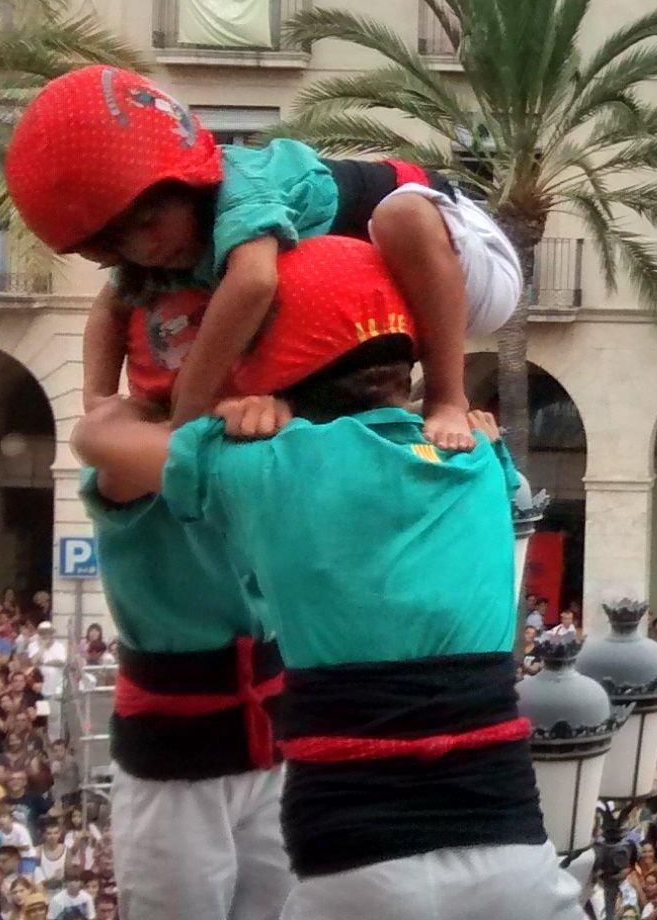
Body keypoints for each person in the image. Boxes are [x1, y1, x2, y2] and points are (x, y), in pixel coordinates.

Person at [73, 235, 581, 918]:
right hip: (515, 863)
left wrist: (214, 419)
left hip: (357, 865)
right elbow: (415, 231)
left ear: (279, 377)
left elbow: (96, 439)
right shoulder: (483, 464)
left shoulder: (271, 469)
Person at [5, 63, 523, 452]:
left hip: (462, 254)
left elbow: (253, 283)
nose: (144, 249)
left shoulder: (238, 185)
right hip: (377, 309)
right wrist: (98, 404)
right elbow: (109, 309)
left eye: (148, 224)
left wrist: (185, 416)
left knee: (401, 217)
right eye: (119, 243)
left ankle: (447, 398)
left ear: (189, 186)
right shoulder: (149, 252)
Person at [71, 262, 293, 920]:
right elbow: (112, 306)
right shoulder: (126, 454)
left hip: (276, 743)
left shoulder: (258, 437)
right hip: (176, 760)